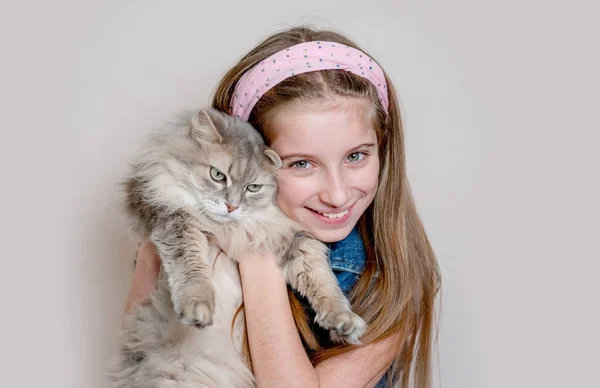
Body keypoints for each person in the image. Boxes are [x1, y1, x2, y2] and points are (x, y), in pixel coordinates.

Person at [124, 26, 441, 388]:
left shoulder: (395, 279)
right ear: (249, 159)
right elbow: (139, 363)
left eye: (356, 156)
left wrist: (257, 257)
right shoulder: (177, 238)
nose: (337, 195)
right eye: (301, 164)